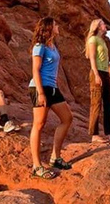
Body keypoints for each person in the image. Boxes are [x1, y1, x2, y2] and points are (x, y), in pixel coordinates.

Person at [29, 17, 73, 179]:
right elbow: (35, 70)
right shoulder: (39, 47)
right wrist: (41, 93)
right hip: (40, 87)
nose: (58, 26)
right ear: (48, 28)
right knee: (39, 125)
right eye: (55, 24)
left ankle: (55, 158)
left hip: (52, 88)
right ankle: (37, 166)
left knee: (67, 118)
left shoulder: (52, 45)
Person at [85, 18, 110, 142]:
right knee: (96, 104)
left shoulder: (103, 40)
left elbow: (106, 60)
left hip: (105, 73)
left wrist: (107, 76)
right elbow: (92, 58)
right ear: (98, 27)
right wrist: (96, 75)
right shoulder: (93, 40)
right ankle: (94, 135)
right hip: (97, 73)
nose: (105, 25)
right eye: (103, 24)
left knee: (108, 104)